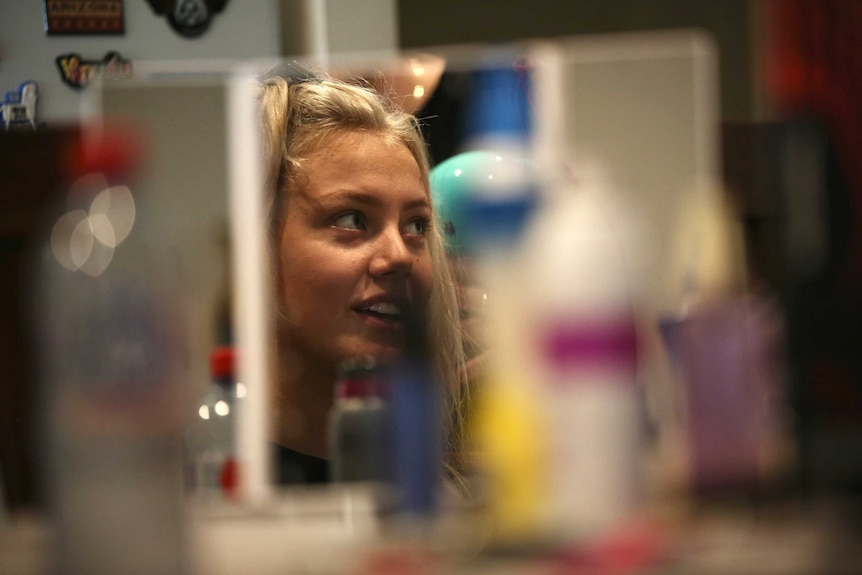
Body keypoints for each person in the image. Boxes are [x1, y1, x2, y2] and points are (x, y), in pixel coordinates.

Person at [258, 71, 469, 484]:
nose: (398, 256)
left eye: (416, 227)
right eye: (352, 219)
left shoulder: (442, 496)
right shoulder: (199, 485)